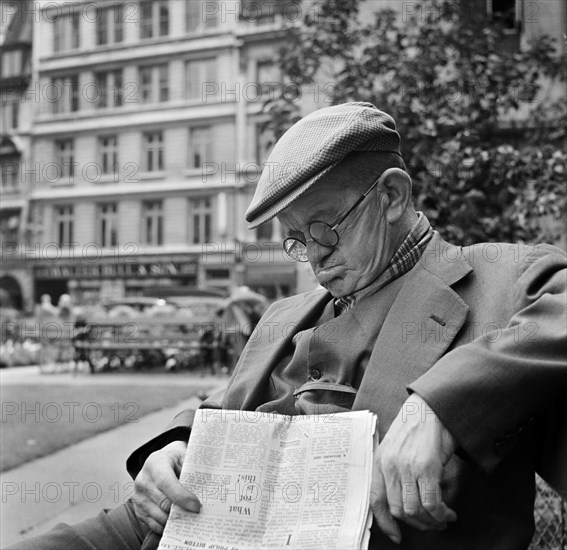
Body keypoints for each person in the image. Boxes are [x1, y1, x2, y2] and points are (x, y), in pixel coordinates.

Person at [9, 102, 566, 550]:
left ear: (392, 196)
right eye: (297, 240)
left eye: (324, 228)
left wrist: (441, 405)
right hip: (175, 526)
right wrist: (178, 445)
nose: (316, 259)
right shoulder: (282, 316)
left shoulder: (503, 280)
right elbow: (218, 406)